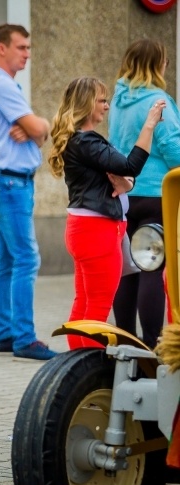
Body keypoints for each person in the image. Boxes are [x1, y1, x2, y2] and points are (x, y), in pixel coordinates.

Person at [48, 77, 165, 350]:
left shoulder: (79, 141)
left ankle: (77, 362)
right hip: (97, 231)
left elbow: (122, 176)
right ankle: (89, 366)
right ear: (87, 104)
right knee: (97, 309)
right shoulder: (87, 141)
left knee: (84, 303)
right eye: (102, 100)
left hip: (84, 229)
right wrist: (149, 125)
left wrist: (127, 184)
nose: (107, 106)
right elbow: (130, 165)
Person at [0, 24, 55, 361]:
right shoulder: (1, 84)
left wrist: (35, 129)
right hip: (10, 184)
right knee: (26, 258)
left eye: (28, 47)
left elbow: (34, 132)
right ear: (2, 48)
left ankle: (3, 333)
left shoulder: (2, 84)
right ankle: (24, 337)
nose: (27, 54)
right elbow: (38, 129)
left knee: (8, 260)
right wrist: (40, 126)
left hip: (6, 183)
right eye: (21, 47)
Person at [110, 39, 180, 349]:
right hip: (157, 194)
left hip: (127, 193)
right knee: (152, 266)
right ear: (157, 64)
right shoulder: (158, 100)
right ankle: (152, 346)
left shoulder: (117, 101)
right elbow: (172, 147)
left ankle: (126, 342)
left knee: (128, 268)